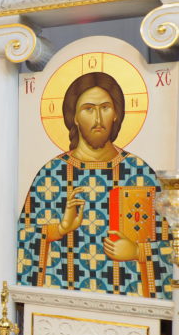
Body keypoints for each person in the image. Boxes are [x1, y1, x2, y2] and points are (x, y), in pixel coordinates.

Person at [17, 72, 173, 299]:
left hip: (129, 309)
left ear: (117, 114)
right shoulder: (50, 175)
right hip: (61, 306)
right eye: (88, 109)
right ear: (74, 117)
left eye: (105, 108)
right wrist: (59, 229)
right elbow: (21, 240)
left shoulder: (140, 173)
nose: (98, 119)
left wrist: (139, 252)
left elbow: (172, 244)